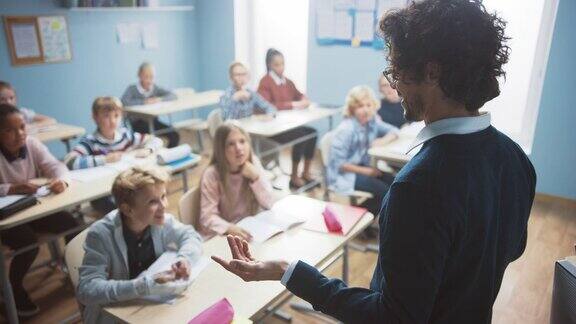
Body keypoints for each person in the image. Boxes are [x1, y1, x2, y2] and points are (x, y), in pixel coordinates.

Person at [212, 1, 537, 323]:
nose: (393, 84)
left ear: (431, 71)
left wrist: (289, 272)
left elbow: (390, 317)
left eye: (396, 70)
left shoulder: (417, 187)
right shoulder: (516, 160)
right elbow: (511, 249)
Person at [77, 166, 203, 324]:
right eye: (153, 201)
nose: (164, 205)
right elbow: (87, 289)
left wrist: (184, 259)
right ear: (127, 209)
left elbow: (190, 236)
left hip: (153, 307)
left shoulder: (159, 220)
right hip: (116, 315)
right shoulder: (100, 234)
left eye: (163, 196)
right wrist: (143, 286)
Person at [0, 103, 79, 317]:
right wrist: (12, 188)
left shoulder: (32, 143)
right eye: (9, 130)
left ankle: (77, 270)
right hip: (7, 217)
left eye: (22, 127)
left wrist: (61, 180)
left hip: (33, 207)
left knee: (72, 224)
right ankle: (12, 290)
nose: (19, 134)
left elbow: (57, 166)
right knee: (27, 243)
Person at [64, 97, 163, 215]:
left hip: (126, 187)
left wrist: (148, 149)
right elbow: (69, 161)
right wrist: (104, 159)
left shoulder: (125, 135)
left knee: (144, 202)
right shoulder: (91, 141)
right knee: (122, 211)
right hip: (102, 193)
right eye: (106, 116)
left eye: (116, 116)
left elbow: (155, 139)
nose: (112, 121)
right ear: (95, 118)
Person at [328, 85, 398, 216]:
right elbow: (339, 165)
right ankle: (361, 218)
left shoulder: (370, 122)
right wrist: (368, 171)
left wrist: (382, 141)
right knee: (386, 192)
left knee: (396, 183)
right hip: (344, 174)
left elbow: (394, 131)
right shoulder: (346, 130)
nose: (365, 110)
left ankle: (365, 217)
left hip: (361, 167)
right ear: (352, 109)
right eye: (360, 106)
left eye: (368, 105)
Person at [199, 122, 274, 241]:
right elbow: (207, 217)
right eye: (231, 144)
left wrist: (256, 178)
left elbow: (269, 203)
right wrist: (228, 228)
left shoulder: (253, 163)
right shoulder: (212, 174)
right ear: (221, 149)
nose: (239, 148)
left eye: (242, 141)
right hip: (225, 235)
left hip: (251, 229)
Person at [257, 49, 318, 190]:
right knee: (301, 137)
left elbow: (299, 94)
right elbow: (268, 106)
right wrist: (294, 104)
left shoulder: (287, 81)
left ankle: (306, 172)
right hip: (274, 129)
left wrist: (303, 99)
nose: (281, 67)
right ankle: (294, 177)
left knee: (312, 133)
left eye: (282, 64)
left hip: (289, 124)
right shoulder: (265, 82)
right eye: (277, 64)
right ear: (269, 65)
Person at [121, 62, 179, 148]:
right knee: (151, 140)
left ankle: (167, 156)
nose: (149, 80)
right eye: (146, 77)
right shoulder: (132, 89)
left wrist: (159, 99)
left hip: (153, 121)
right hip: (137, 123)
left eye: (151, 77)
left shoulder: (155, 88)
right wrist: (144, 102)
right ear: (139, 75)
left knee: (175, 135)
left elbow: (173, 95)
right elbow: (124, 102)